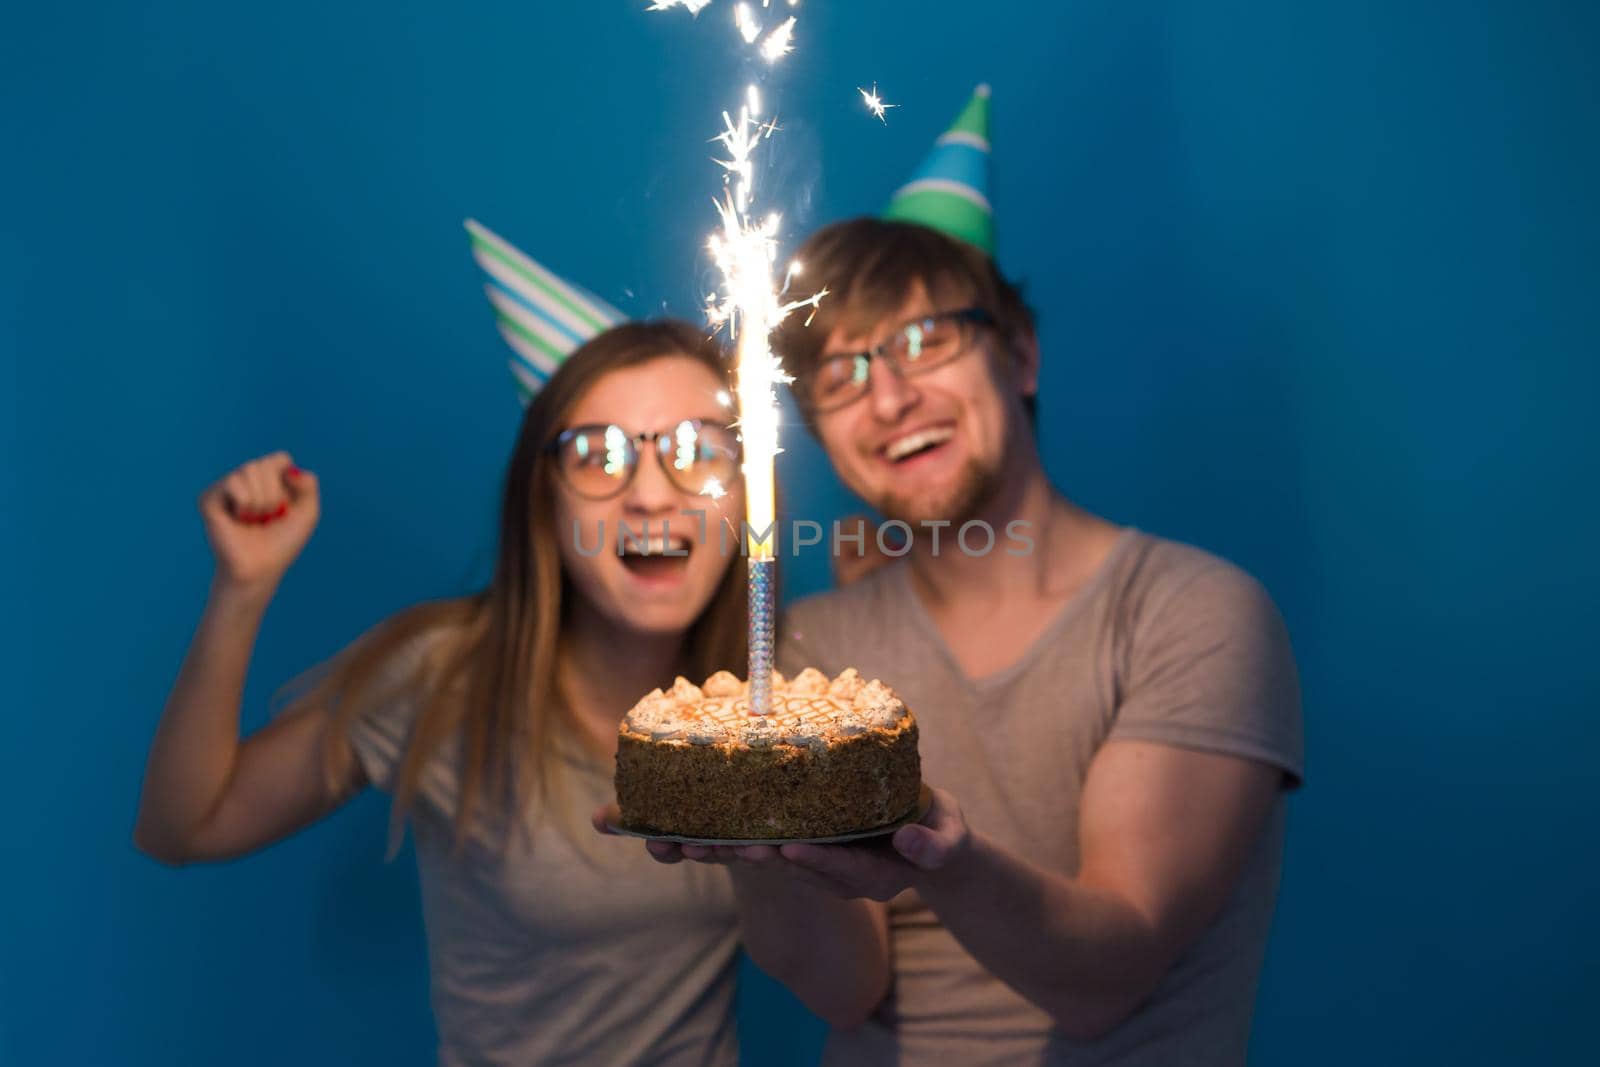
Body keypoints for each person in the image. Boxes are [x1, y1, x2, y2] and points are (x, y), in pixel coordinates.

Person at [630, 210, 1305, 1066]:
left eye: (925, 339)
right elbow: (845, 987)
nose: (889, 397)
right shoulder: (811, 655)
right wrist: (755, 837)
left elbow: (1101, 986)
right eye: (841, 373)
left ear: (1020, 353)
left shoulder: (1194, 613)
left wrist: (932, 852)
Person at [135, 320, 754, 1066]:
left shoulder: (782, 704)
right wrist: (242, 589)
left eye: (697, 450)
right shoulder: (444, 675)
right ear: (544, 502)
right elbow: (184, 828)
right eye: (598, 455)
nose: (652, 494)